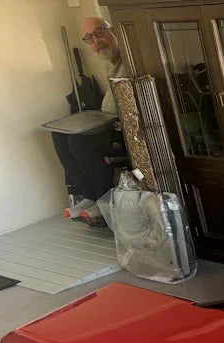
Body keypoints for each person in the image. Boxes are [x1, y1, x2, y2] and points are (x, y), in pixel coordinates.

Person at [53, 16, 129, 222]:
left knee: (77, 140)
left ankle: (98, 199)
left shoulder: (130, 55)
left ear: (112, 30)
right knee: (59, 134)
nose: (96, 42)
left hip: (124, 128)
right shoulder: (109, 62)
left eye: (99, 33)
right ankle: (91, 196)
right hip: (107, 121)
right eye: (89, 38)